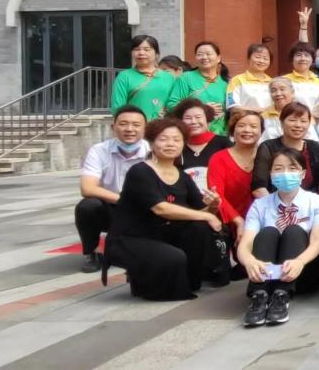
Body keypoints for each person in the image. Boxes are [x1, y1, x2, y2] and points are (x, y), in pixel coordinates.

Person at [102, 119, 222, 300]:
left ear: (183, 144)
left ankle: (189, 281)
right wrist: (207, 216)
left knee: (201, 228)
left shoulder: (182, 176)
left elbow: (202, 213)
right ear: (151, 143)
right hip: (131, 238)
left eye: (176, 139)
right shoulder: (140, 171)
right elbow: (161, 209)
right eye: (163, 139)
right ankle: (144, 282)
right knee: (173, 258)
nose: (170, 144)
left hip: (163, 235)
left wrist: (212, 205)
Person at [239, 147, 319, 326]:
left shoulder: (317, 201)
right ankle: (259, 296)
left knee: (294, 230)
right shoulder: (260, 205)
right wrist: (249, 261)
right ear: (271, 174)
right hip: (268, 272)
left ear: (303, 174)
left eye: (292, 168)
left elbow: (317, 241)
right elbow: (246, 243)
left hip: (305, 270)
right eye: (279, 169)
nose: (285, 173)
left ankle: (282, 296)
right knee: (268, 232)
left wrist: (299, 262)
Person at [76, 106, 151, 273]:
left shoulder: (153, 151)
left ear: (145, 128)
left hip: (144, 209)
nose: (129, 129)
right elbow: (87, 188)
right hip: (112, 207)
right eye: (123, 124)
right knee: (87, 206)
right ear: (113, 127)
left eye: (136, 125)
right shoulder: (99, 151)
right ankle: (91, 253)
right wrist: (124, 201)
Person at [208, 110, 263, 241]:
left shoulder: (268, 157)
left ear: (262, 131)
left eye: (253, 126)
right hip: (227, 224)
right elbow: (217, 195)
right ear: (232, 130)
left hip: (262, 222)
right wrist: (239, 221)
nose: (247, 130)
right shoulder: (219, 158)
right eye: (241, 125)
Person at [253, 102, 319, 196]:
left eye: (303, 121)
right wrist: (277, 204)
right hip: (275, 201)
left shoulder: (314, 146)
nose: (298, 125)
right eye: (292, 120)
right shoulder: (267, 147)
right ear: (281, 122)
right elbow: (259, 188)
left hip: (310, 201)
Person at [167, 41, 228, 135]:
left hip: (219, 134)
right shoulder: (186, 78)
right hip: (191, 132)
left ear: (218, 58)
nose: (204, 57)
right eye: (200, 54)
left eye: (208, 54)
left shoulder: (225, 83)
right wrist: (203, 108)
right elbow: (171, 105)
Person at [111, 35, 176, 122]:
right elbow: (117, 107)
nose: (141, 53)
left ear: (157, 54)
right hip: (135, 126)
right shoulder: (124, 76)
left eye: (147, 49)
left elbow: (174, 104)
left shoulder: (169, 78)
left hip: (163, 126)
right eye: (136, 49)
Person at [172, 98, 232, 192]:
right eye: (188, 118)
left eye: (198, 117)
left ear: (207, 119)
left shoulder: (223, 143)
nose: (193, 122)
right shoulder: (176, 146)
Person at [262, 78, 319, 142]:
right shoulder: (264, 115)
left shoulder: (303, 112)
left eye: (282, 89)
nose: (278, 93)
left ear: (292, 92)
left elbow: (312, 139)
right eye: (273, 90)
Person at [226, 43, 274, 113]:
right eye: (257, 57)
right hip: (246, 119)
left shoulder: (273, 82)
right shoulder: (237, 80)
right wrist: (259, 111)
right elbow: (232, 105)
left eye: (265, 58)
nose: (261, 61)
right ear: (248, 58)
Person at [283, 43, 319, 109]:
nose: (303, 58)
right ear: (292, 59)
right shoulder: (284, 80)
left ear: (312, 60)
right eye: (298, 55)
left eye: (306, 55)